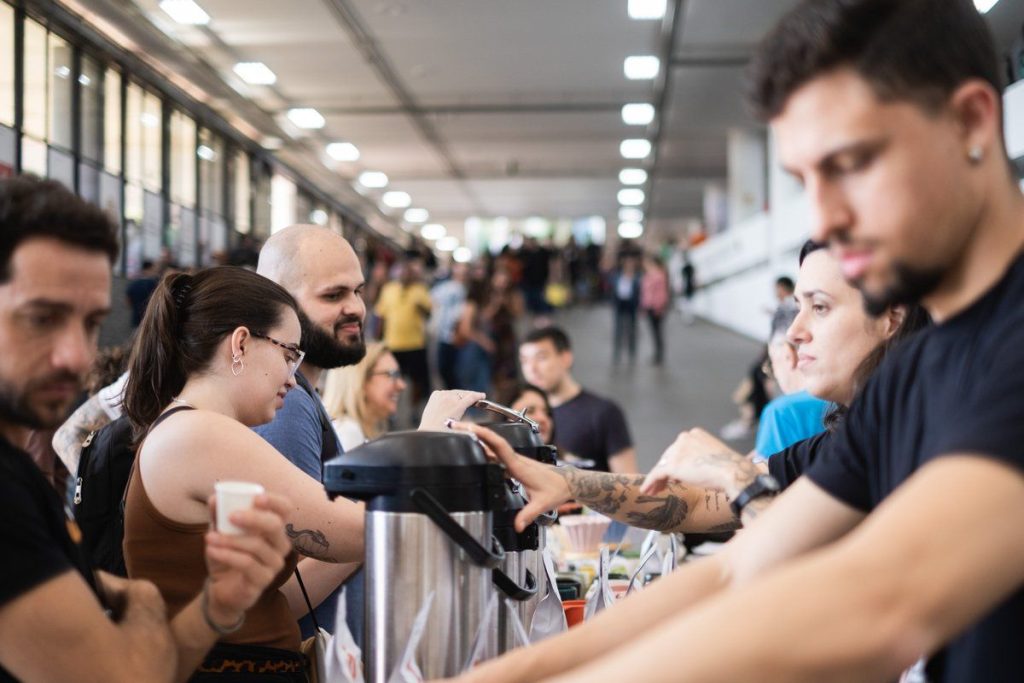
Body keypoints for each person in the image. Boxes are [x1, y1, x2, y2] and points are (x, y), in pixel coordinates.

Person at [446, 1, 1024, 681]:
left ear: (971, 121)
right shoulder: (912, 375)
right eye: (806, 181)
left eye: (851, 163)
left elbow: (880, 603)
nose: (826, 219)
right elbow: (737, 569)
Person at [0, 176, 291, 683]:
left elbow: (142, 673)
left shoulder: (19, 478)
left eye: (91, 324)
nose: (77, 356)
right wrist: (144, 602)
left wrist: (215, 607)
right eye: (42, 318)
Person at [479, 241, 928, 536]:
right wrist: (567, 482)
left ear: (892, 316)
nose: (794, 331)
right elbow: (692, 503)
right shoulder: (846, 442)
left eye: (821, 308)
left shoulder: (923, 441)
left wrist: (734, 474)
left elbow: (812, 572)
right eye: (798, 307)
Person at [120, 267, 367, 679]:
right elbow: (348, 530)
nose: (293, 378)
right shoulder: (200, 433)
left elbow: (270, 599)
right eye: (288, 354)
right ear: (240, 343)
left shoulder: (188, 428)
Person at [255, 225, 481, 644]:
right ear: (278, 302)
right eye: (333, 295)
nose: (356, 308)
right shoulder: (287, 406)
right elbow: (289, 591)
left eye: (358, 291)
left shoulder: (303, 397)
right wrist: (420, 451)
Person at [518, 326, 637, 473]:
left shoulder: (603, 412)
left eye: (541, 358)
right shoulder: (519, 415)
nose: (532, 369)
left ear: (566, 358)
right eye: (524, 361)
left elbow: (628, 479)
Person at [374, 253, 432, 418]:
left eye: (409, 271)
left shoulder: (420, 290)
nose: (405, 274)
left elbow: (429, 313)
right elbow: (381, 317)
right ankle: (391, 410)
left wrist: (421, 306)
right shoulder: (388, 289)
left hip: (415, 344)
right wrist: (378, 342)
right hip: (393, 344)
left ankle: (414, 409)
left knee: (417, 381)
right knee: (391, 379)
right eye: (403, 271)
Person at [322, 342, 406, 451]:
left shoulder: (353, 430)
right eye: (391, 374)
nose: (402, 385)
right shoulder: (348, 432)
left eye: (399, 374)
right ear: (360, 380)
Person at [430, 262, 469, 390]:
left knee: (457, 371)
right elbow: (432, 299)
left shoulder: (468, 289)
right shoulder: (446, 287)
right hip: (445, 335)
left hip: (458, 337)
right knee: (444, 369)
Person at [610, 253, 641, 365]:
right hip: (620, 305)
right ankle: (617, 352)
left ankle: (632, 352)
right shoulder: (618, 275)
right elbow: (613, 287)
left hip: (631, 306)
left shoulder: (636, 276)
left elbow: (639, 290)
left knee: (631, 330)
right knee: (618, 330)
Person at [640, 254, 670, 365]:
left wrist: (659, 307)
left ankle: (659, 354)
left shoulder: (659, 276)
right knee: (654, 332)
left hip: (656, 307)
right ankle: (657, 353)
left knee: (657, 332)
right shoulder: (648, 275)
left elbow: (662, 294)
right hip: (649, 306)